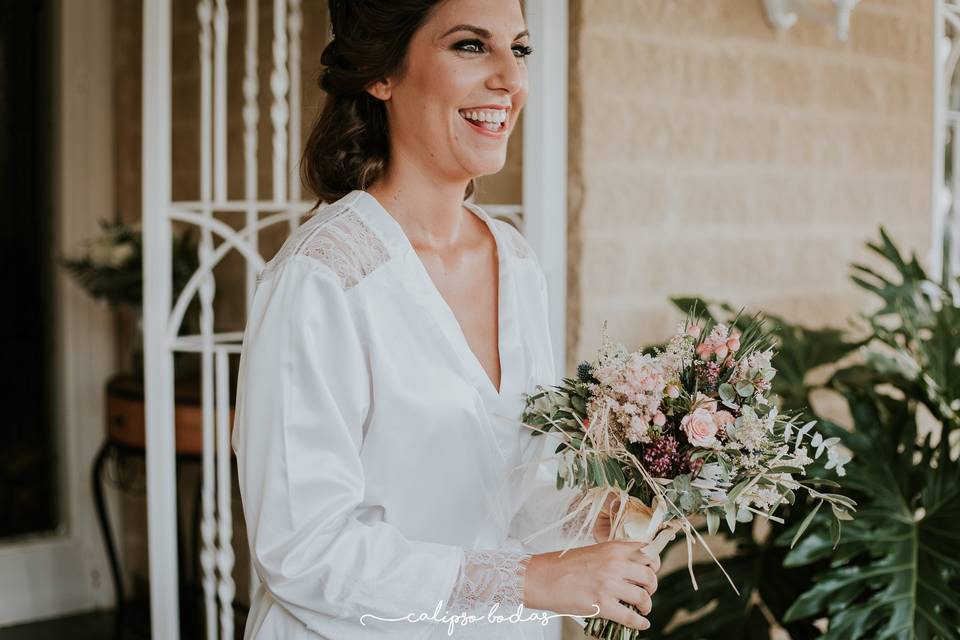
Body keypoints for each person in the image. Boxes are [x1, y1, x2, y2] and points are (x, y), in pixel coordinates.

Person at [232, 0, 662, 637]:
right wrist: (532, 579)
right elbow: (302, 547)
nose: (510, 81)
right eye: (469, 46)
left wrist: (580, 517)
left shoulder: (515, 261)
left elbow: (515, 482)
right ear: (383, 75)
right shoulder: (322, 278)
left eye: (518, 50)